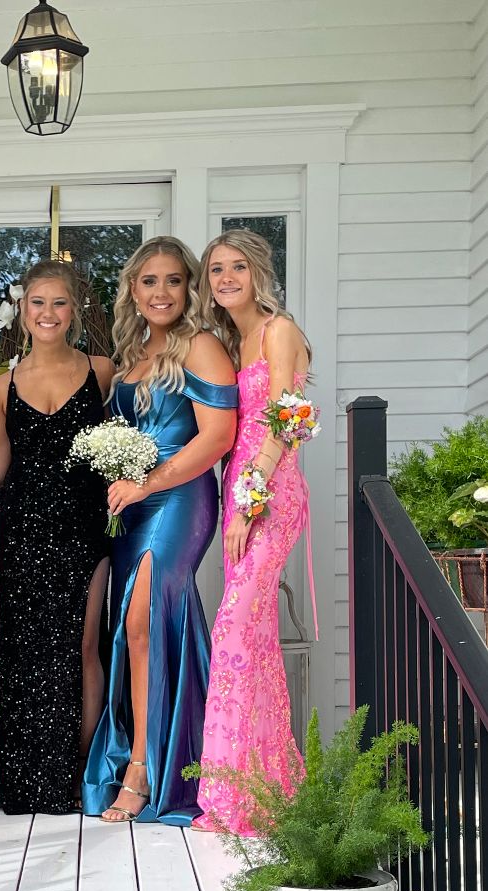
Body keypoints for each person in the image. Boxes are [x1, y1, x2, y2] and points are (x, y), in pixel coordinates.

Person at [82, 237, 237, 825]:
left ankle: (144, 771)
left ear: (190, 288)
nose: (162, 292)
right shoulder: (130, 354)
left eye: (174, 281)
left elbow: (217, 438)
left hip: (180, 499)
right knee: (137, 627)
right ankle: (181, 758)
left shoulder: (202, 346)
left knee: (144, 619)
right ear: (133, 290)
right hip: (132, 505)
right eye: (150, 281)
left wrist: (148, 483)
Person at [194, 229, 314, 835]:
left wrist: (250, 499)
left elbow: (289, 419)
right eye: (217, 269)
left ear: (259, 271)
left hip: (272, 495)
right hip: (236, 492)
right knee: (254, 636)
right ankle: (260, 794)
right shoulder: (227, 341)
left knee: (234, 625)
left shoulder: (278, 331)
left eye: (237, 267)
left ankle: (247, 791)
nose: (227, 278)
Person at [0, 259, 114, 814]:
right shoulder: (1, 385)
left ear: (74, 311)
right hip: (22, 529)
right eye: (38, 303)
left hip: (86, 526)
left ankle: (84, 776)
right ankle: (25, 779)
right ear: (22, 310)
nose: (48, 313)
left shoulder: (104, 371)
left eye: (59, 303)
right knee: (25, 650)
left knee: (84, 646)